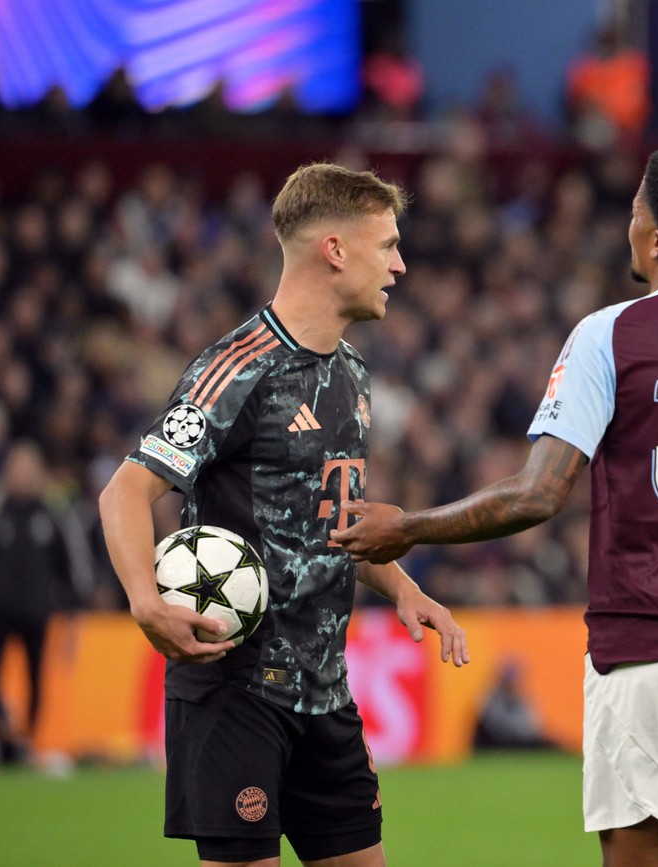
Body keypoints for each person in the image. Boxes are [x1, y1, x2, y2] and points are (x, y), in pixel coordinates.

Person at [335, 142, 658, 867]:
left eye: (635, 210)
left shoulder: (612, 333)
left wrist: (409, 526)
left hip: (648, 650)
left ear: (656, 238)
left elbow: (539, 491)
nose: (629, 223)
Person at [98, 163, 468, 866]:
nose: (401, 263)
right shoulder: (235, 368)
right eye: (387, 244)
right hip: (236, 689)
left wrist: (408, 590)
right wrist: (145, 601)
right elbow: (123, 492)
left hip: (326, 692)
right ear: (335, 249)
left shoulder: (353, 375)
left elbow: (336, 525)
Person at [0, 440, 94, 765]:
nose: (23, 475)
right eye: (17, 468)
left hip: (37, 614)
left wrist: (74, 609)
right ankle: (5, 738)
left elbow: (73, 567)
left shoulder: (54, 516)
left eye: (29, 468)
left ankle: (25, 741)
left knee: (36, 679)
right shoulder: (1, 511)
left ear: (39, 473)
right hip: (0, 612)